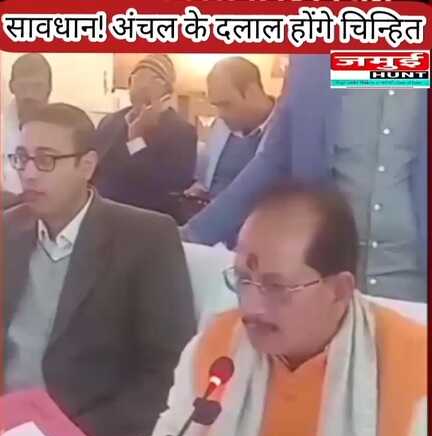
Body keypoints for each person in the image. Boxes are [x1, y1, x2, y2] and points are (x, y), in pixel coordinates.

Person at [72, 186, 426, 436]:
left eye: (277, 287)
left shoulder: (415, 364)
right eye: (243, 280)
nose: (251, 308)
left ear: (339, 289)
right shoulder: (220, 345)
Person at [4, 103, 196, 436]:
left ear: (87, 165)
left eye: (45, 160)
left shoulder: (145, 238)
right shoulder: (8, 229)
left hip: (84, 434)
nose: (28, 174)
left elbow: (165, 369)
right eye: (21, 158)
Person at [181, 54, 427, 303]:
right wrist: (192, 235)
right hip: (326, 276)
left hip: (414, 282)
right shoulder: (313, 61)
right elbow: (274, 160)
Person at [95, 54, 197, 216]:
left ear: (166, 89)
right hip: (101, 212)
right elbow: (96, 168)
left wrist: (136, 141)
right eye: (136, 77)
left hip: (145, 216)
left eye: (151, 79)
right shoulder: (110, 121)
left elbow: (171, 184)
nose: (140, 84)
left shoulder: (182, 131)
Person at [185, 57, 274, 201]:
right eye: (217, 106)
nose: (221, 115)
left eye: (226, 104)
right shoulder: (220, 126)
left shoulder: (286, 130)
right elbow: (205, 182)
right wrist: (197, 191)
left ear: (252, 92)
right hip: (207, 208)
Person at [3, 53, 52, 195]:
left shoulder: (67, 130)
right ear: (11, 87)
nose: (29, 95)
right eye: (23, 87)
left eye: (37, 87)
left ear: (49, 88)